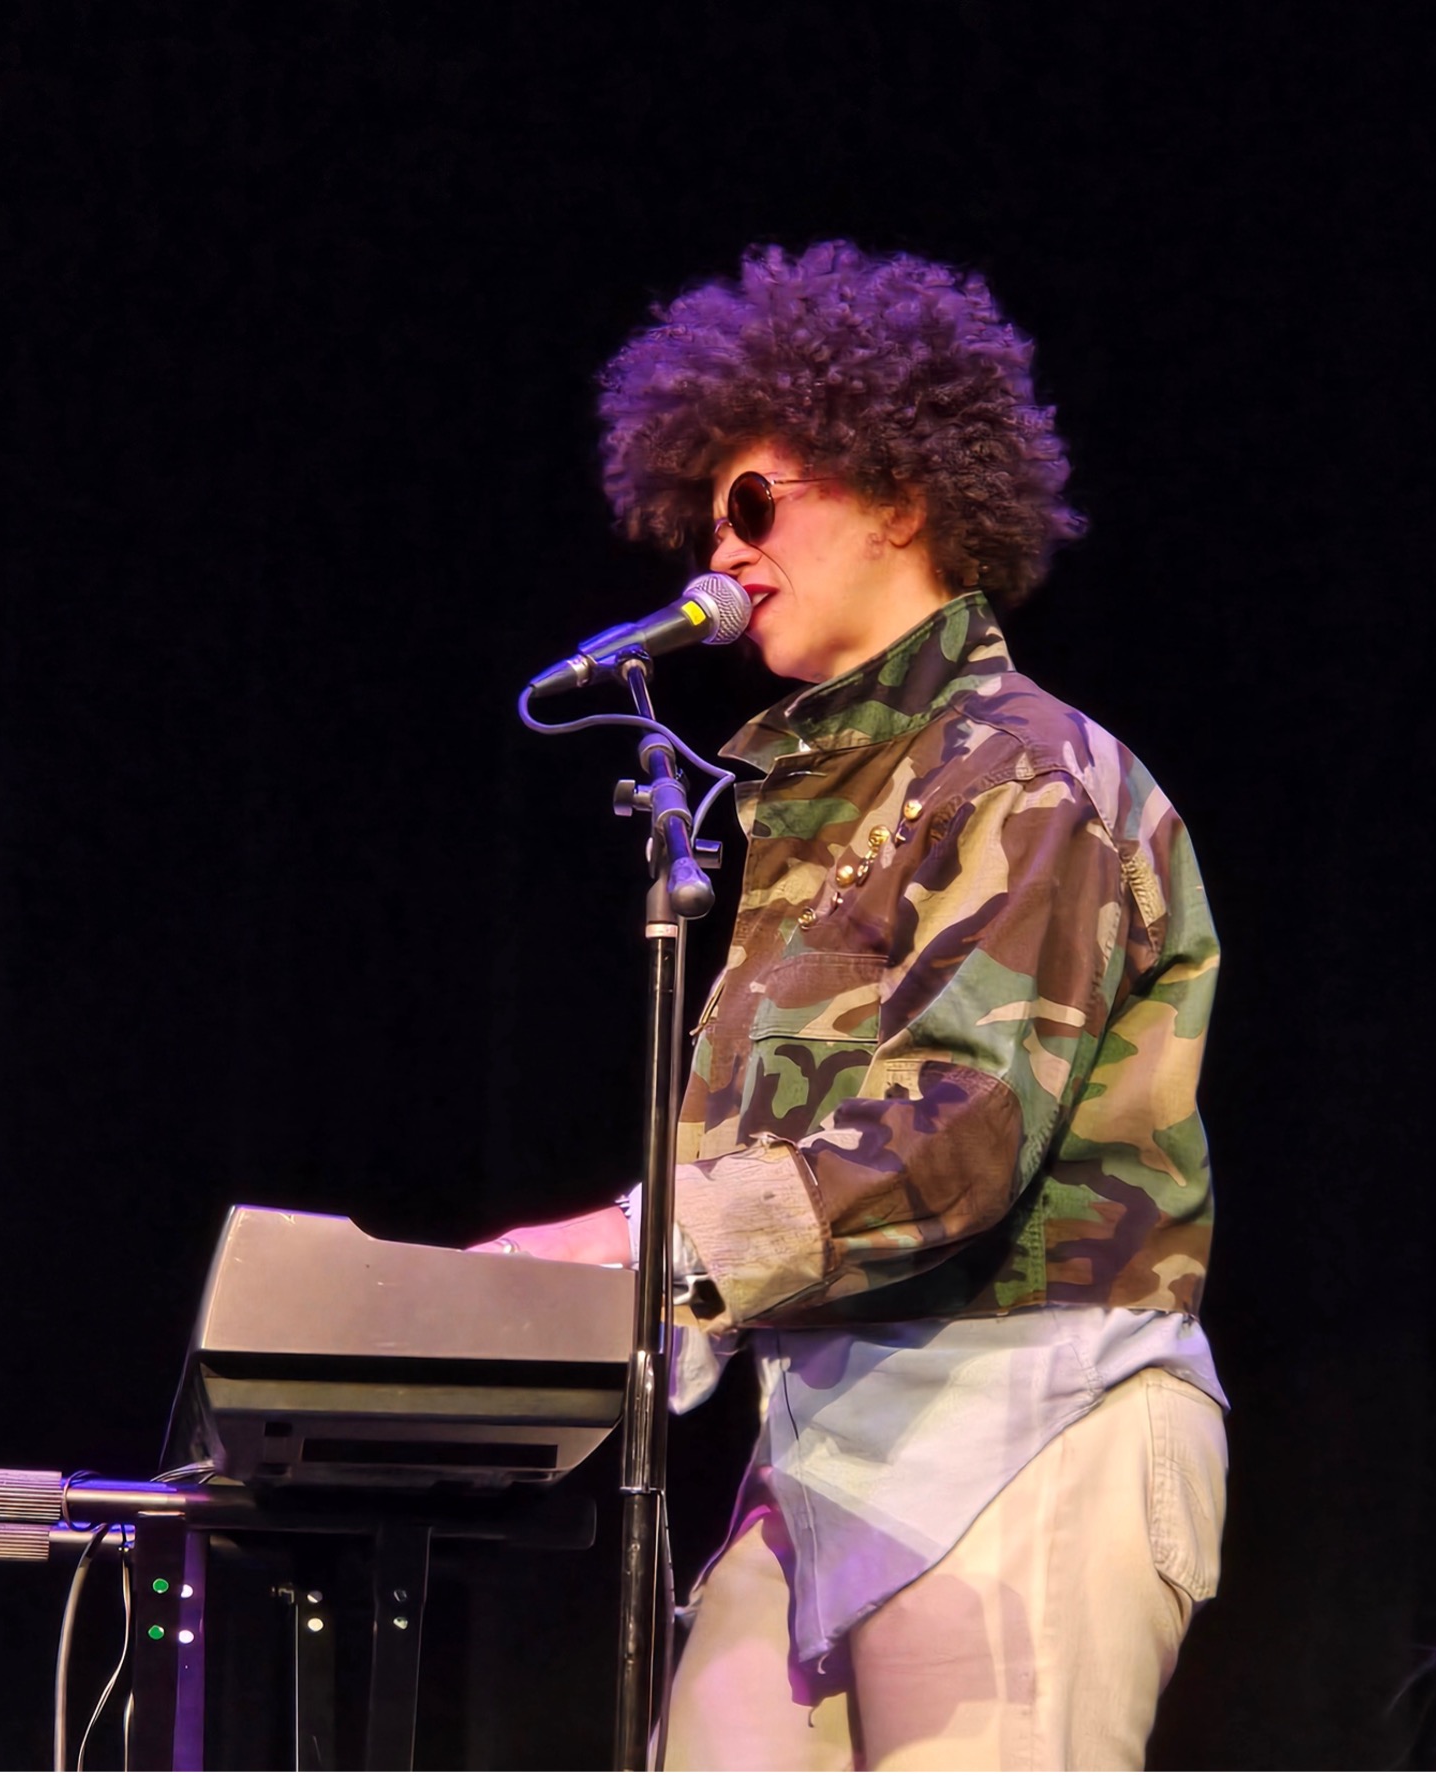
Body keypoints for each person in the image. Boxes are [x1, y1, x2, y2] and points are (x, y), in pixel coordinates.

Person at [474, 241, 1227, 1771]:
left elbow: (954, 1136)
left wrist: (643, 1249)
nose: (722, 551)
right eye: (706, 515)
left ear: (896, 495)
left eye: (756, 502)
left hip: (1033, 1422)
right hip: (831, 1445)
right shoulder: (817, 819)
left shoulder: (1030, 774)